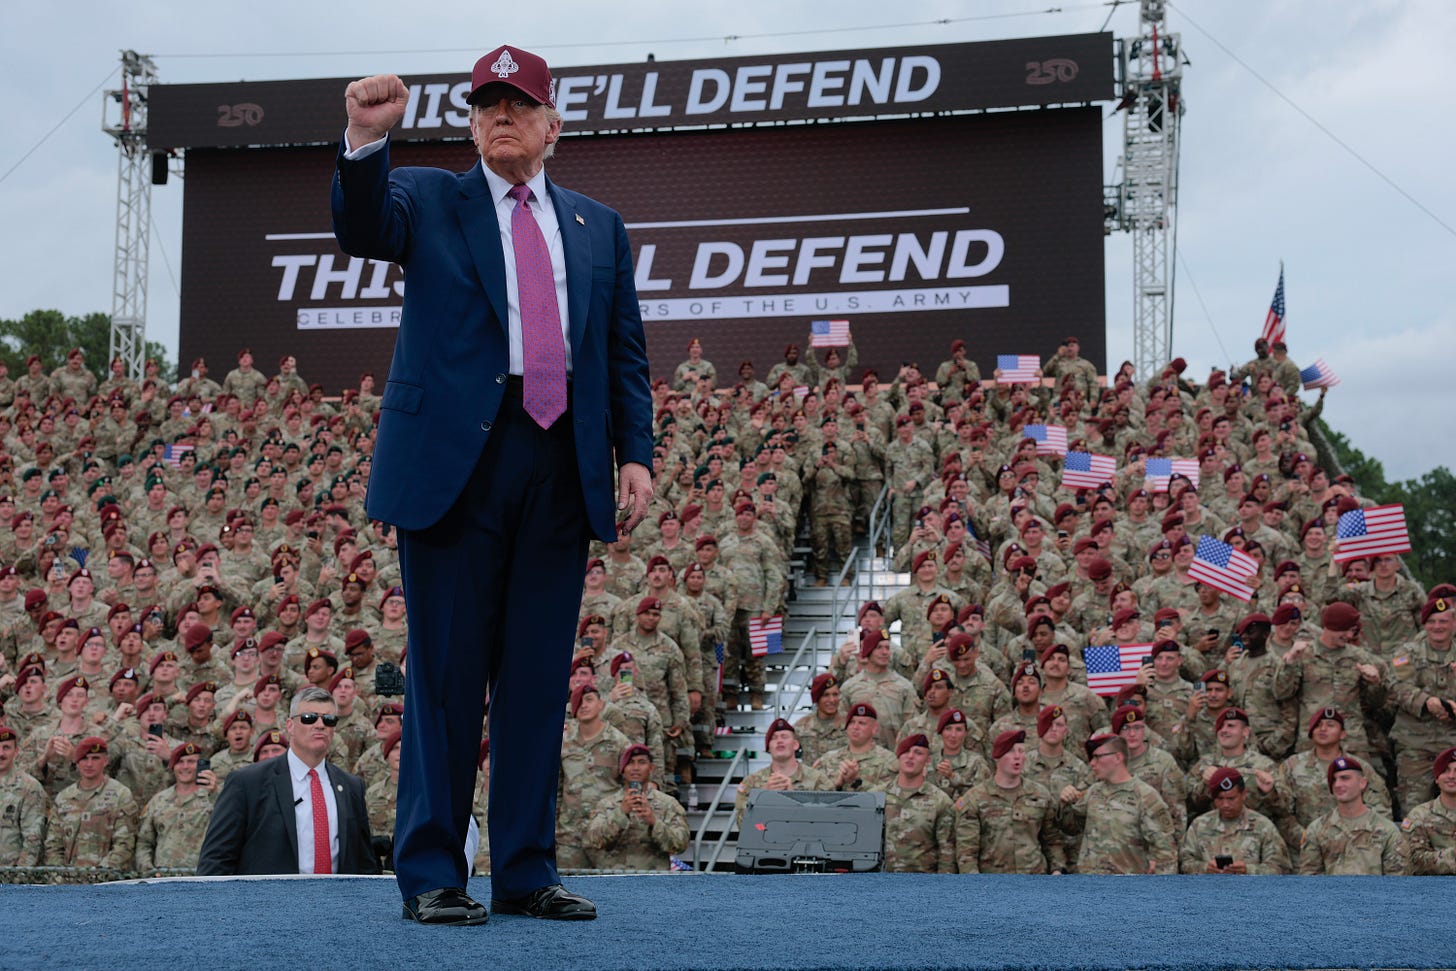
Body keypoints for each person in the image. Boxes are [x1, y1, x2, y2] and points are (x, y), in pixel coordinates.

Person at [332, 43, 652, 924]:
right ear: (472, 126)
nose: (500, 115)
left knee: (540, 679)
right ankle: (433, 872)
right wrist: (364, 139)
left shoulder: (598, 226)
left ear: (553, 126)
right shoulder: (431, 197)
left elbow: (622, 349)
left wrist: (635, 452)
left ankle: (523, 868)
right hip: (455, 464)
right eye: (485, 105)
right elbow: (364, 227)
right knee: (444, 678)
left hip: (561, 460)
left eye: (518, 104)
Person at [196, 686, 379, 877]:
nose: (320, 725)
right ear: (290, 726)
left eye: (328, 719)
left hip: (336, 895)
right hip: (268, 896)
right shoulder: (247, 783)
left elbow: (364, 863)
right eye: (309, 718)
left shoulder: (351, 787)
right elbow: (216, 860)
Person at [954, 729, 1064, 874]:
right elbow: (967, 853)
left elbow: (1052, 840)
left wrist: (1057, 870)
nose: (1017, 757)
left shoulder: (1040, 795)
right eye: (1011, 751)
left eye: (1021, 751)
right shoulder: (975, 799)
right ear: (997, 757)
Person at [1073, 734, 1177, 874]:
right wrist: (1065, 802)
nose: (1092, 763)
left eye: (1097, 757)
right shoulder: (1093, 791)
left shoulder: (1145, 796)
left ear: (1118, 758)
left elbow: (1165, 850)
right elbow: (1070, 827)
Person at [582, 744, 688, 870]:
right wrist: (621, 813)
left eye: (642, 762)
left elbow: (680, 844)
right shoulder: (606, 804)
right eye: (630, 763)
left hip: (652, 878)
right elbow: (594, 841)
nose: (636, 768)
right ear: (622, 769)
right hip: (615, 877)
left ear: (651, 768)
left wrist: (654, 823)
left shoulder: (668, 804)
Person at [1298, 756, 1405, 875]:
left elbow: (1396, 880)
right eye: (1334, 780)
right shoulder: (1317, 830)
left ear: (1362, 783)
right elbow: (1309, 878)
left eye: (1345, 778)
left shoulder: (1387, 830)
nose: (1338, 784)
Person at [1179, 767, 1291, 875]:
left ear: (1244, 795)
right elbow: (1185, 863)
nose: (1225, 804)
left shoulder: (1263, 826)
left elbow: (1280, 868)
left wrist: (1248, 870)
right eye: (1220, 799)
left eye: (1231, 798)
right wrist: (1205, 868)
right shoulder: (1200, 825)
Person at [1402, 747, 1456, 875]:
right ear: (1437, 778)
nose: (1451, 776)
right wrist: (1453, 856)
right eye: (1445, 770)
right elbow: (1412, 862)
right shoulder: (1418, 815)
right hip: (1435, 886)